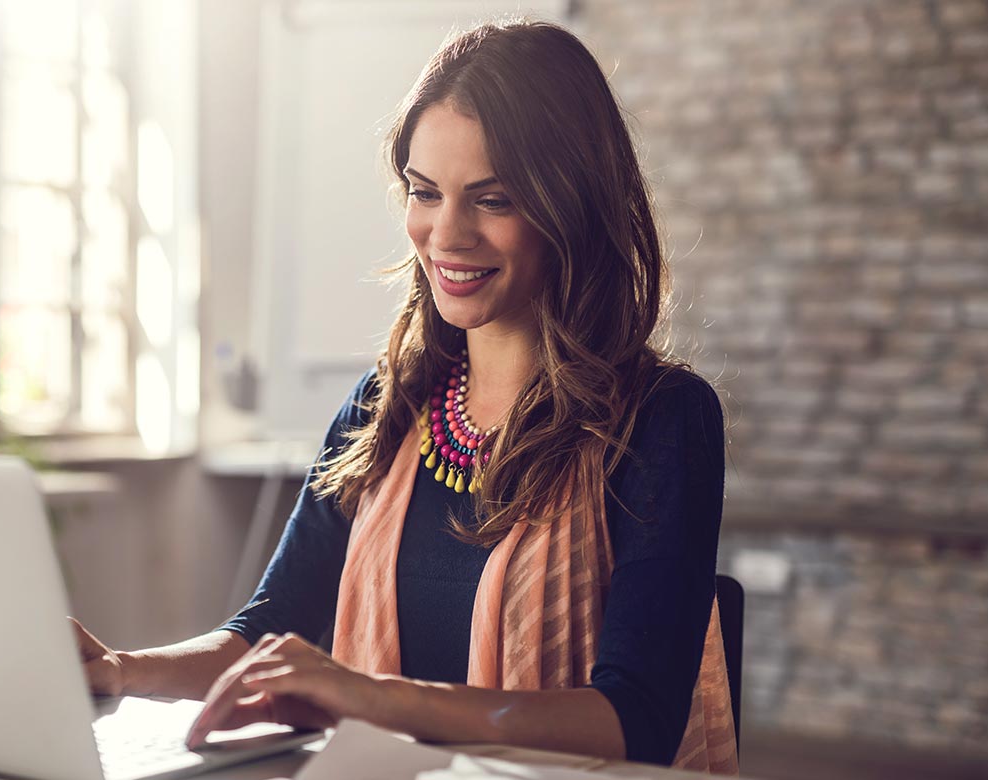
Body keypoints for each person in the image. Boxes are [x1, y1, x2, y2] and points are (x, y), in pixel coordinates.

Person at [72, 19, 738, 773]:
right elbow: (270, 631)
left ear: (570, 206)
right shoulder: (385, 406)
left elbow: (637, 721)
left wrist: (374, 697)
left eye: (492, 200)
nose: (445, 235)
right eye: (425, 193)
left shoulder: (663, 417)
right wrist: (122, 670)